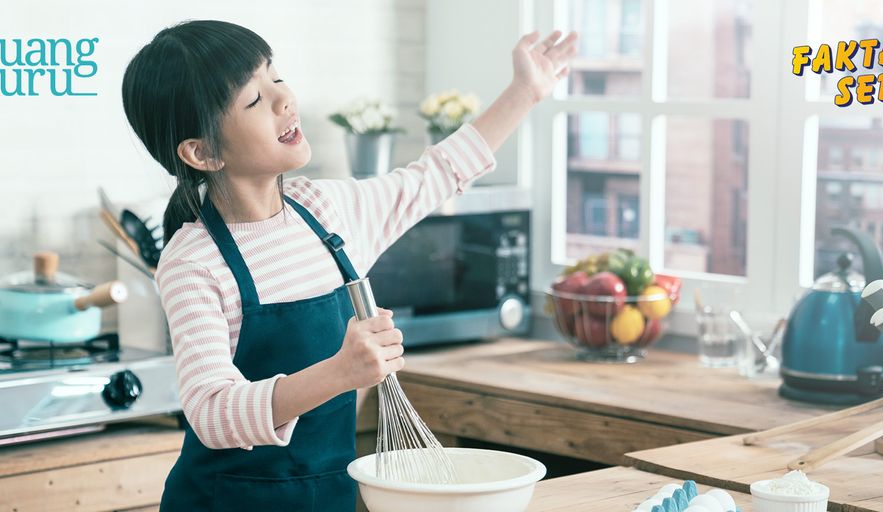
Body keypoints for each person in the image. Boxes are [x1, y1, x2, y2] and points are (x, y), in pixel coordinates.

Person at [121, 19, 577, 511]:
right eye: (253, 100)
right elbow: (211, 412)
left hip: (328, 498)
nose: (283, 100)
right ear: (202, 152)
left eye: (274, 76)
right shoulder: (194, 262)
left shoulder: (325, 210)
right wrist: (341, 372)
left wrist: (526, 91)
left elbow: (437, 174)